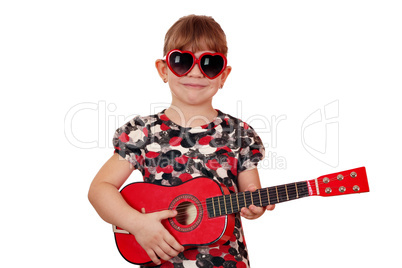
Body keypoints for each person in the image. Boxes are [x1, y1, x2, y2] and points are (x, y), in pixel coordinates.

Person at [88, 14, 275, 268]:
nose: (196, 72)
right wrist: (137, 224)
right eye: (182, 61)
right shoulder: (142, 132)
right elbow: (100, 189)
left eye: (209, 64)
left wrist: (255, 206)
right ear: (164, 70)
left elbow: (250, 195)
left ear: (223, 75)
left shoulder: (239, 134)